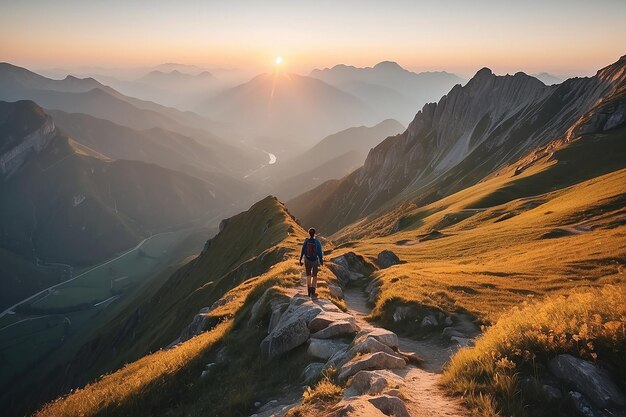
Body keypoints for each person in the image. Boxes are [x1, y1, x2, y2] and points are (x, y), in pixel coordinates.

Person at [299, 227, 323, 298]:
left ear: (309, 233)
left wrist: (300, 260)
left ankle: (308, 290)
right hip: (315, 260)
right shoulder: (317, 242)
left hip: (307, 260)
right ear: (315, 233)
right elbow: (320, 252)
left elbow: (303, 250)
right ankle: (313, 290)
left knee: (308, 275)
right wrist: (321, 261)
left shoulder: (306, 241)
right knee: (315, 276)